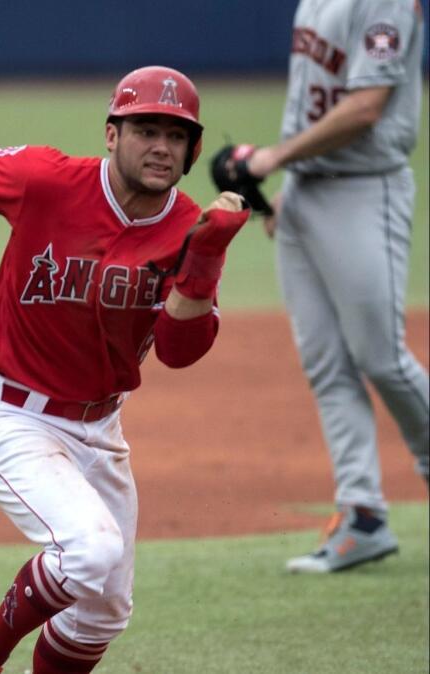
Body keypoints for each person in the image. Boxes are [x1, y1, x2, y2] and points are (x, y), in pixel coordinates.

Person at [0, 66, 250, 674]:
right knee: (91, 550)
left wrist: (206, 258)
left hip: (100, 430)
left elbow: (179, 351)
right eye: (145, 129)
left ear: (192, 149)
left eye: (176, 134)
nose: (161, 146)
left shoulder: (190, 228)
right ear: (112, 134)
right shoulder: (46, 180)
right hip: (9, 413)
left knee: (104, 611)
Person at [222, 0, 428, 573]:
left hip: (367, 190)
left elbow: (365, 108)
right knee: (327, 362)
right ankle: (362, 515)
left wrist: (272, 159)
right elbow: (314, 104)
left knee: (382, 358)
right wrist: (290, 181)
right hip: (308, 191)